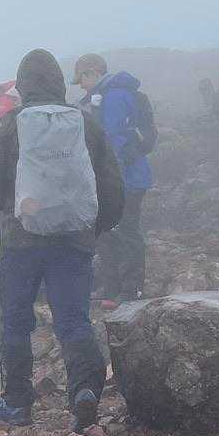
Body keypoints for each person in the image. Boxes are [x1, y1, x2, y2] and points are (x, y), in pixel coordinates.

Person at [0, 49, 124, 431]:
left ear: (23, 85)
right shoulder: (85, 123)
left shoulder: (9, 124)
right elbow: (112, 185)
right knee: (73, 318)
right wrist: (95, 227)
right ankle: (84, 391)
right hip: (74, 237)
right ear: (58, 83)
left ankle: (17, 402)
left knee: (16, 320)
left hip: (21, 238)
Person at [73, 53, 154, 300]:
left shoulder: (115, 97)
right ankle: (112, 288)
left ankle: (131, 289)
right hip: (119, 178)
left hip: (126, 179)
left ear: (92, 72)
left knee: (126, 231)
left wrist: (108, 177)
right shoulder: (104, 96)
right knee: (108, 232)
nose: (81, 85)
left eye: (81, 79)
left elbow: (113, 139)